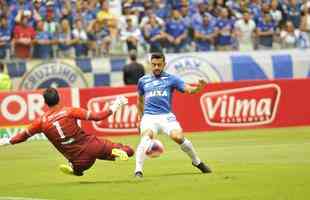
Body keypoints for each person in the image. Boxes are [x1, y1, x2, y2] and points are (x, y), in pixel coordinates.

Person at [0, 88, 134, 176]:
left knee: (78, 172)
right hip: (92, 145)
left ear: (45, 102)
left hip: (79, 159)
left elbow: (22, 136)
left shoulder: (41, 122)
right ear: (59, 98)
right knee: (129, 151)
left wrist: (5, 141)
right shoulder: (70, 111)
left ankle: (74, 167)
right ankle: (116, 151)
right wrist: (116, 105)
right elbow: (98, 116)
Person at [134, 53, 212, 178]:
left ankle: (197, 162)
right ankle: (138, 171)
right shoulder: (143, 80)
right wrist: (140, 118)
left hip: (166, 116)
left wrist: (198, 88)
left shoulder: (172, 79)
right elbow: (140, 100)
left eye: (159, 64)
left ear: (164, 64)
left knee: (178, 137)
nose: (156, 67)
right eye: (154, 64)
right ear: (150, 65)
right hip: (149, 117)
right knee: (146, 138)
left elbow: (189, 89)